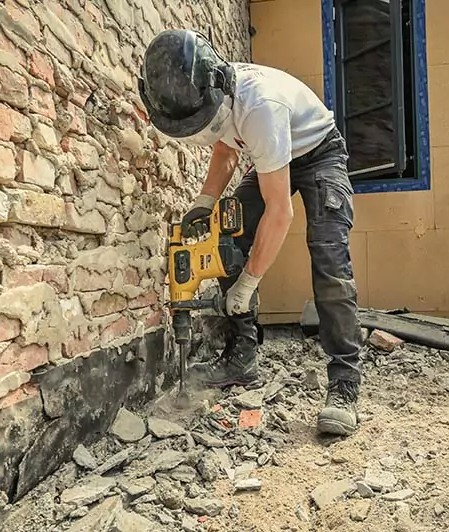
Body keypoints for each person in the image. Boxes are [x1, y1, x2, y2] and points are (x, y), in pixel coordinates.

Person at [138, 29, 364, 435]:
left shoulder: (260, 107)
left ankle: (344, 384)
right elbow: (226, 149)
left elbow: (280, 213)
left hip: (319, 153)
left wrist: (249, 282)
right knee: (228, 228)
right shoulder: (211, 91)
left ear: (217, 87)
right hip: (271, 153)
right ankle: (241, 358)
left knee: (329, 254)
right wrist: (205, 202)